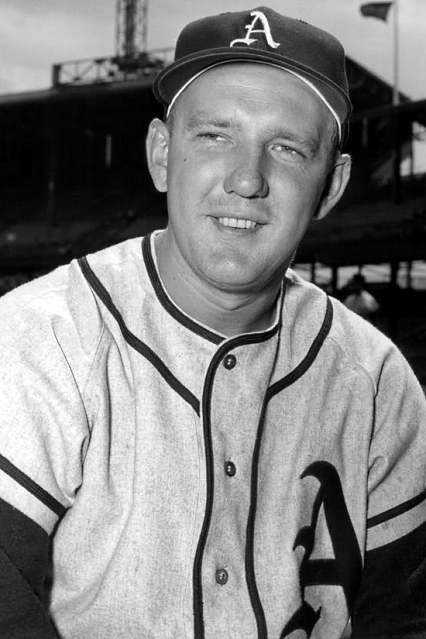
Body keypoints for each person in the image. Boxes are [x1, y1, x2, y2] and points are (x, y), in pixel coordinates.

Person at [0, 7, 425, 639]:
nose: (247, 179)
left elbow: (402, 621)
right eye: (215, 136)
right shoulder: (42, 338)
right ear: (162, 156)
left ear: (331, 187)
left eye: (287, 148)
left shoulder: (380, 383)